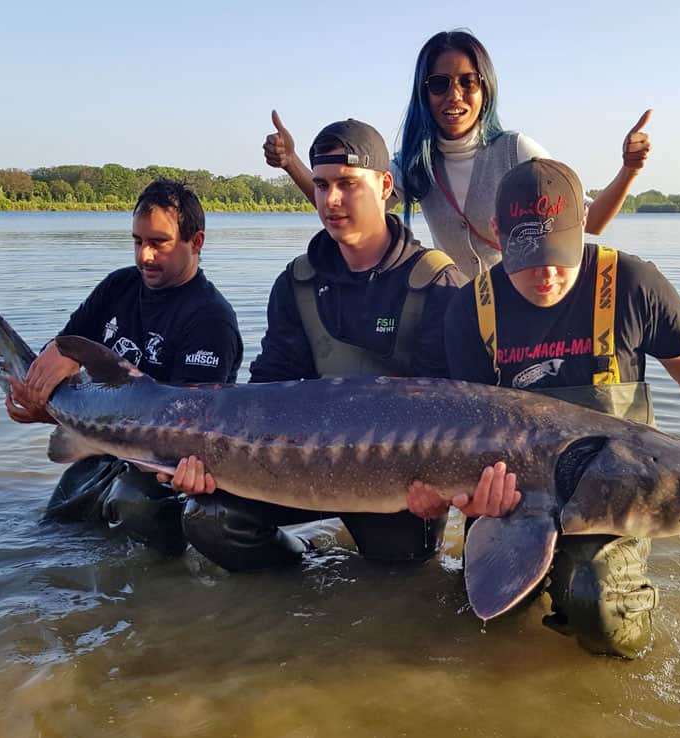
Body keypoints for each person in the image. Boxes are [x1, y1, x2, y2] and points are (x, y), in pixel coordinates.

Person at [407, 158, 680, 658]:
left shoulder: (632, 283)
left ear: (584, 221)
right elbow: (465, 431)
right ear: (496, 232)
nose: (545, 272)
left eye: (558, 252)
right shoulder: (471, 307)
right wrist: (466, 497)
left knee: (602, 613)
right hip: (513, 493)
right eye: (526, 255)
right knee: (482, 623)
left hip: (619, 490)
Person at [170, 119, 471, 570]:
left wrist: (442, 489)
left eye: (347, 184)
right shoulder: (297, 282)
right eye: (321, 185)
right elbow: (267, 393)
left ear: (385, 185)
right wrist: (209, 460)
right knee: (209, 518)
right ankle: (302, 580)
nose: (331, 200)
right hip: (302, 467)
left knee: (399, 586)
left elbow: (454, 414)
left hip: (398, 484)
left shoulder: (438, 282)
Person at [262, 29, 651, 278]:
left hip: (527, 310)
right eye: (439, 83)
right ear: (423, 92)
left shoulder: (517, 151)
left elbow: (592, 221)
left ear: (486, 89)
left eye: (468, 82)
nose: (455, 95)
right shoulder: (416, 161)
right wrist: (292, 162)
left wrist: (629, 169)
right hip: (463, 310)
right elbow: (350, 204)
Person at [6, 178, 244, 553]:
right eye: (138, 241)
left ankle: (164, 586)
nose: (144, 256)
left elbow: (187, 433)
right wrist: (44, 383)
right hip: (106, 449)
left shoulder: (211, 319)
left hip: (164, 474)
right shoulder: (119, 286)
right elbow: (62, 351)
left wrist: (64, 416)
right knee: (50, 537)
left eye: (158, 243)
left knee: (135, 504)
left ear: (195, 242)